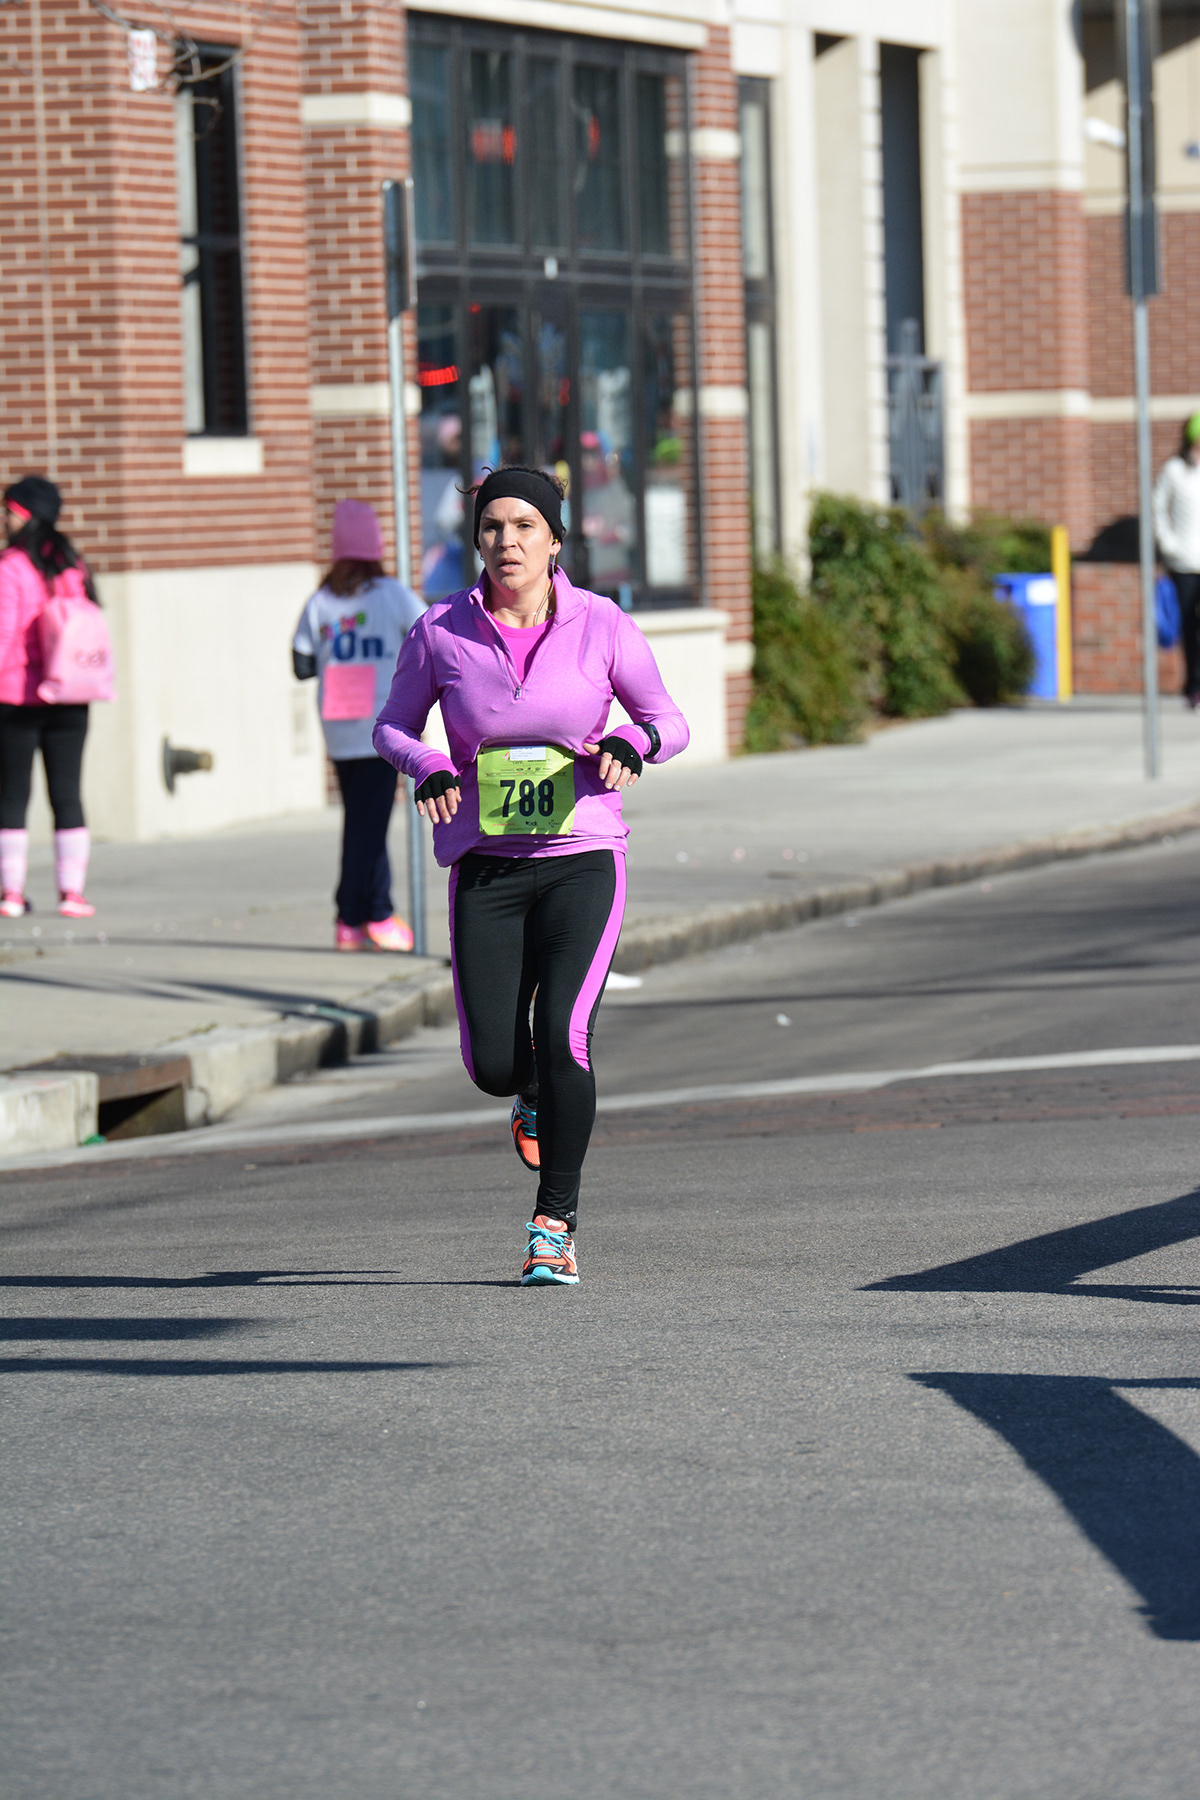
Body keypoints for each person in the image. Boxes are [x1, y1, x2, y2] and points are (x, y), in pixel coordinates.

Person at [373, 467, 689, 1286]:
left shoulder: (603, 625)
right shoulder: (441, 630)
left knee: (566, 1033)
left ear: (554, 539)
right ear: (476, 539)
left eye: (523, 527)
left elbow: (668, 719)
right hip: (486, 862)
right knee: (495, 1066)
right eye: (491, 528)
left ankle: (555, 1223)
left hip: (584, 854)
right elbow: (391, 726)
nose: (506, 542)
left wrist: (632, 745)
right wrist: (431, 765)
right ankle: (529, 1096)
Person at [293, 499, 424, 951]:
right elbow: (430, 635)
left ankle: (376, 909)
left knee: (365, 820)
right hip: (383, 723)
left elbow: (301, 663)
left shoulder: (321, 599)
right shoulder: (392, 594)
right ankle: (351, 916)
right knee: (366, 826)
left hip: (338, 722)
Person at [0, 475, 101, 920]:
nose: (4, 519)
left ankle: (11, 894)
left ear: (24, 513)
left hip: (17, 696)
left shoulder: (10, 567)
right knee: (67, 792)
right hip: (72, 695)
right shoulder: (71, 565)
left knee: (11, 795)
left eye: (8, 510)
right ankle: (72, 893)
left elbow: (3, 636)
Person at [1153, 410, 1200, 708]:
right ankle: (1193, 685)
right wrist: (1168, 545)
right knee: (1189, 626)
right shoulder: (1174, 471)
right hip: (1183, 562)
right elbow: (1157, 510)